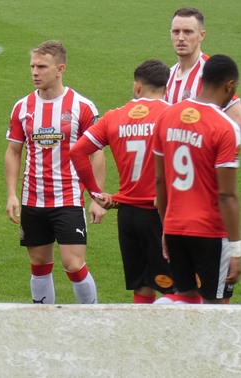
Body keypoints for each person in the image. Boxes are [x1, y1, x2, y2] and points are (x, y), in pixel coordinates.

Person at [5, 40, 105, 304]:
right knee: (38, 264)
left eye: (42, 67)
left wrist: (96, 197)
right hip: (33, 200)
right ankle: (44, 325)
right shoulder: (22, 107)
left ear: (60, 69)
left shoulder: (82, 107)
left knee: (73, 264)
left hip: (68, 200)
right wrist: (11, 195)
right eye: (32, 66)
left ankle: (91, 319)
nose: (35, 72)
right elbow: (14, 151)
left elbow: (96, 153)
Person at [69, 60, 175, 303]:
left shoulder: (113, 117)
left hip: (128, 216)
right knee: (175, 289)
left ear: (137, 86)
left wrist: (96, 193)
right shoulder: (172, 115)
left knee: (143, 287)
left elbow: (77, 151)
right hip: (160, 214)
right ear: (166, 88)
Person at [154, 54, 241, 304]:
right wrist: (236, 249)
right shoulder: (226, 127)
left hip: (174, 227)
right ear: (230, 86)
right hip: (211, 232)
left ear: (201, 80)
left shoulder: (167, 116)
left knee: (187, 303)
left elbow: (160, 181)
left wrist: (165, 227)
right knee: (217, 311)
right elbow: (226, 194)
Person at [166, 7, 241, 134]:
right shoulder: (168, 75)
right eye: (176, 32)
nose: (181, 38)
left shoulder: (212, 72)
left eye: (188, 32)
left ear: (201, 35)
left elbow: (240, 123)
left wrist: (202, 139)